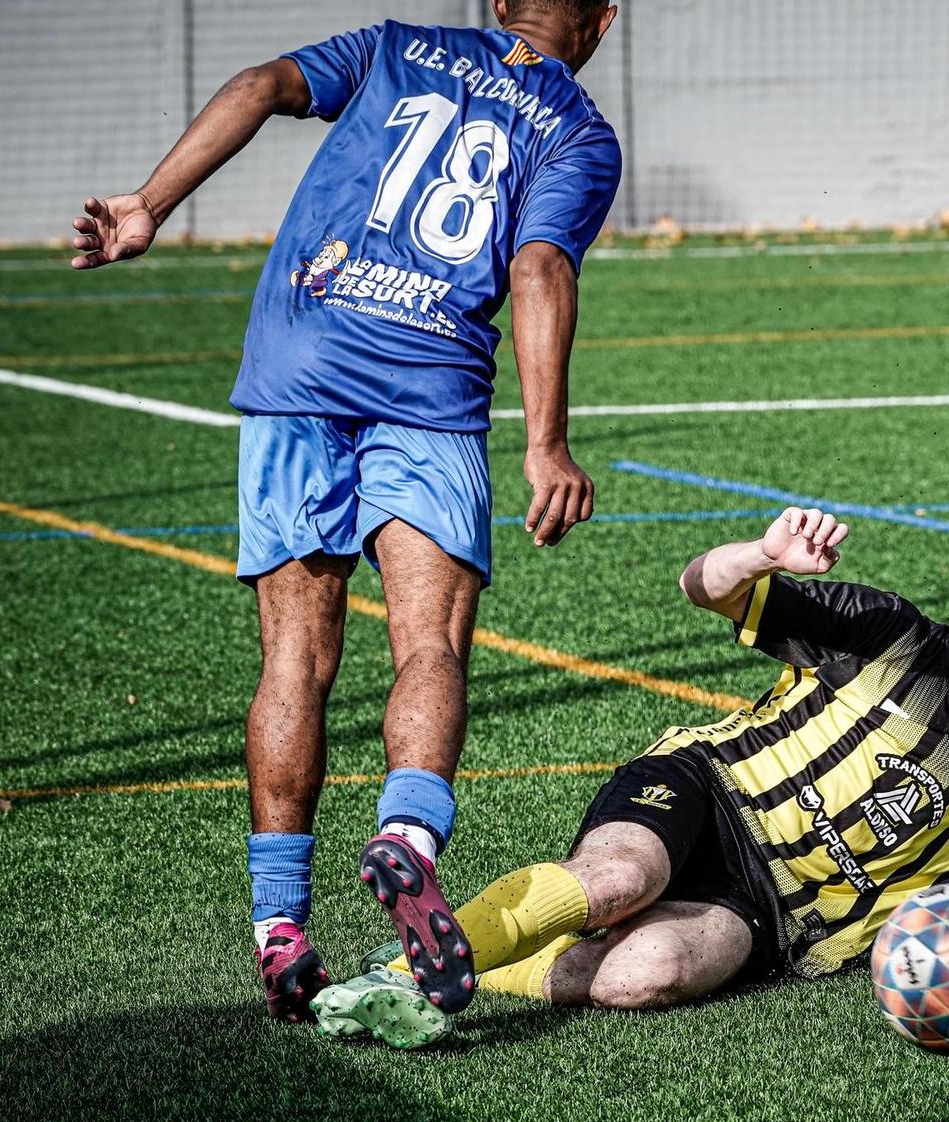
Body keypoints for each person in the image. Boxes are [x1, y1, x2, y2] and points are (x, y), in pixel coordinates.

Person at [67, 1, 623, 1023]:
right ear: (601, 21)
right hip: (430, 394)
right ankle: (406, 840)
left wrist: (150, 202)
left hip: (297, 369)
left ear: (498, 2)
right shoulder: (578, 130)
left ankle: (279, 929)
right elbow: (538, 265)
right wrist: (546, 443)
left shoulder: (394, 45)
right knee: (429, 645)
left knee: (293, 659)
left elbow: (260, 84)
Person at [312, 509, 949, 1049]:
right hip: (702, 786)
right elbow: (699, 586)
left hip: (773, 915)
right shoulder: (881, 629)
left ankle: (473, 955)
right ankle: (403, 972)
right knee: (617, 883)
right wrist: (760, 553)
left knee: (637, 976)